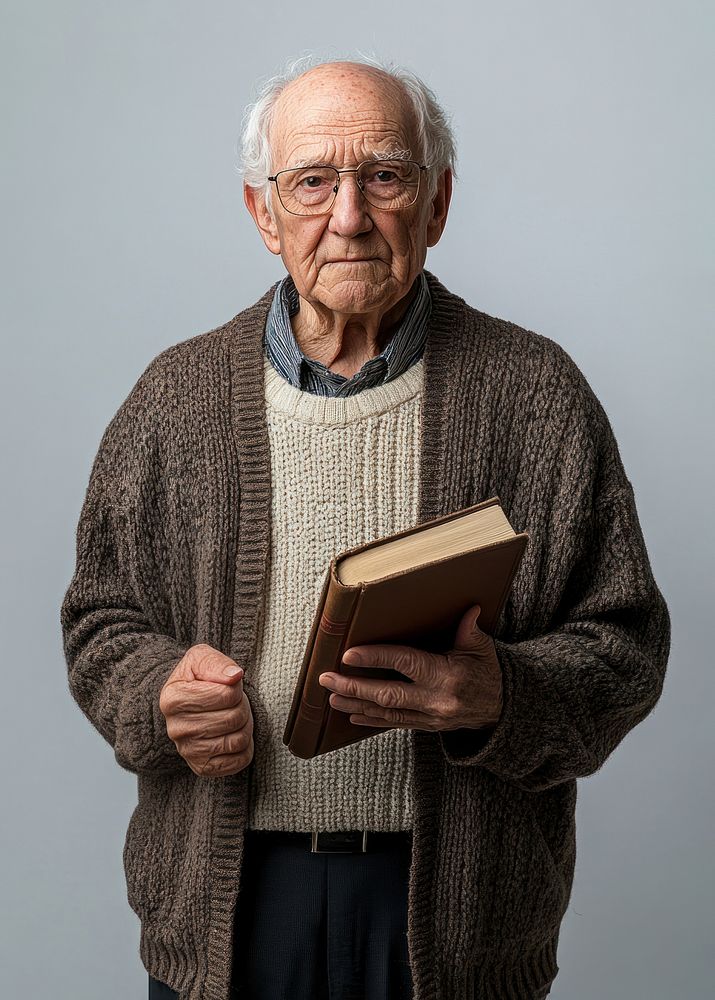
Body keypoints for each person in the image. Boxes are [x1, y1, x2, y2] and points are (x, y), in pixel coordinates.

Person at [60, 55, 671, 1000]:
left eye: (383, 176)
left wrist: (500, 696)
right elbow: (101, 621)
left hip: (456, 918)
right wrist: (155, 695)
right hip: (230, 907)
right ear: (264, 214)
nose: (348, 216)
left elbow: (625, 645)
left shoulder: (534, 393)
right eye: (311, 182)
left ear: (435, 202)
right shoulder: (171, 401)